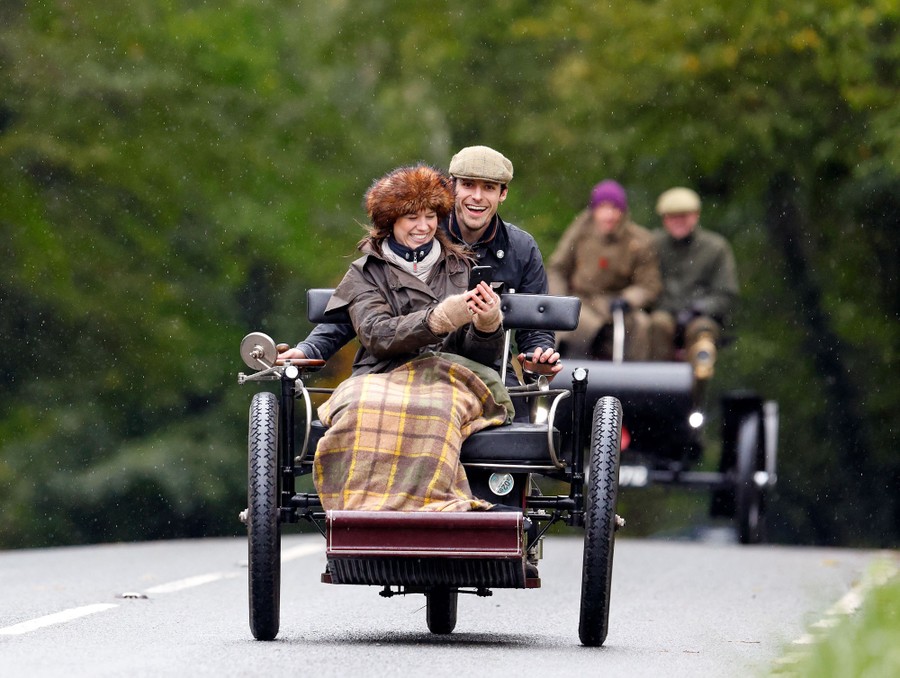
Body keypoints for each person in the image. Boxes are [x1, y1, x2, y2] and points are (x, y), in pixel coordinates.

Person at [279, 145, 561, 412]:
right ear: (452, 187)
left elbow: (533, 325)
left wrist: (537, 353)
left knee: (522, 428)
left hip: (479, 367)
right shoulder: (417, 237)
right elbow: (357, 311)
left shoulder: (518, 249)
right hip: (395, 368)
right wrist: (309, 349)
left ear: (503, 193)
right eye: (468, 185)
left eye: (488, 187)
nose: (477, 196)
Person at [311, 164, 511, 513]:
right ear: (390, 223)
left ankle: (429, 509)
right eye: (411, 218)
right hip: (380, 374)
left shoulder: (462, 268)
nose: (424, 227)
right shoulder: (363, 274)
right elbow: (376, 334)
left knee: (435, 409)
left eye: (431, 216)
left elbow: (479, 356)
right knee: (361, 406)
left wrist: (487, 325)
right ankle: (360, 510)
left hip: (449, 375)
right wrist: (437, 319)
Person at [548, 180, 662, 360]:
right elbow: (557, 269)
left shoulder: (639, 241)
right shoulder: (579, 232)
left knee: (642, 326)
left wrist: (628, 299)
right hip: (582, 301)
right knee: (575, 326)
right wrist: (561, 301)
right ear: (594, 211)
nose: (609, 215)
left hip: (619, 305)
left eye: (614, 208)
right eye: (603, 208)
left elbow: (649, 285)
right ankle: (570, 377)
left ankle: (635, 382)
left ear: (622, 212)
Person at [648, 187, 738, 380]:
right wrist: (665, 309)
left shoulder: (715, 248)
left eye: (684, 216)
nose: (678, 222)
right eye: (673, 217)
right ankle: (658, 388)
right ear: (664, 219)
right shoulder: (652, 245)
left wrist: (698, 309)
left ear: (696, 216)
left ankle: (693, 395)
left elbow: (725, 293)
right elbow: (646, 284)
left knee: (702, 335)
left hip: (702, 317)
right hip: (664, 315)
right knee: (658, 325)